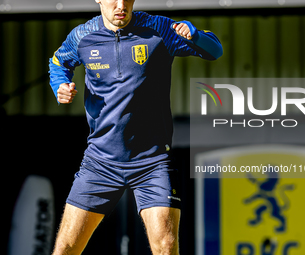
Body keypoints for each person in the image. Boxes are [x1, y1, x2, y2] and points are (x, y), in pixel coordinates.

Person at [49, 0, 223, 254]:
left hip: (152, 162)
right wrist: (60, 87)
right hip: (100, 162)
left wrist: (194, 35)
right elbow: (58, 62)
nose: (121, 5)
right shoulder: (83, 36)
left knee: (165, 245)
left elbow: (214, 50)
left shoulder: (158, 28)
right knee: (66, 248)